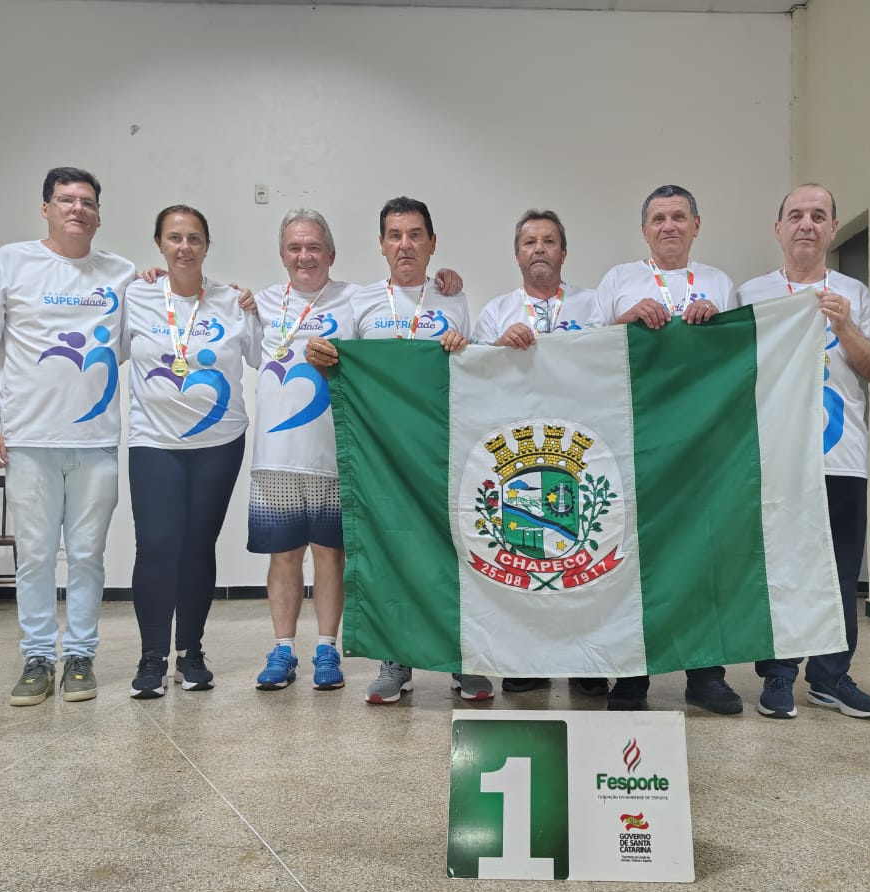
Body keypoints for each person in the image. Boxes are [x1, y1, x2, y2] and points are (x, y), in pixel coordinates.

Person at [305, 195, 491, 705]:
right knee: (387, 548)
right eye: (394, 235)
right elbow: (338, 364)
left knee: (453, 549)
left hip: (443, 448)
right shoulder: (360, 301)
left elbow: (473, 367)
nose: (404, 244)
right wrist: (318, 355)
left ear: (432, 243)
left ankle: (460, 658)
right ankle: (394, 660)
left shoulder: (453, 297)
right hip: (381, 455)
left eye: (414, 235)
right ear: (382, 245)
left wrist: (463, 346)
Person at [0, 167, 135, 707]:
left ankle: (80, 657)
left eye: (87, 202)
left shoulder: (122, 273)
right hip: (30, 440)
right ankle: (37, 658)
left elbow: (150, 333)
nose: (77, 209)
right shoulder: (10, 261)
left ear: (99, 215)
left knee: (87, 556)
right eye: (66, 200)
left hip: (96, 442)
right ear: (46, 208)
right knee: (36, 557)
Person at [738, 184, 870, 720]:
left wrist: (844, 325)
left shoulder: (855, 294)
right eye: (796, 215)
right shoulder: (751, 293)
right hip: (775, 459)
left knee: (838, 572)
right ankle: (778, 675)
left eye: (818, 216)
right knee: (778, 568)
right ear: (779, 229)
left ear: (831, 228)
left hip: (840, 458)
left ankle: (830, 676)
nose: (807, 224)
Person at [594, 184, 743, 715]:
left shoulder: (720, 283)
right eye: (658, 218)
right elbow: (588, 353)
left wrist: (717, 323)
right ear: (644, 230)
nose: (669, 226)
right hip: (638, 439)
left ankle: (706, 675)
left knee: (704, 557)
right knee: (635, 559)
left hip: (704, 444)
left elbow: (739, 357)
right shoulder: (618, 281)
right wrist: (624, 320)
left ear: (696, 226)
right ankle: (632, 677)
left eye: (679, 216)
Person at [123, 205, 258, 698]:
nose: (185, 247)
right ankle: (152, 656)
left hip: (219, 443)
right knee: (156, 544)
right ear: (159, 244)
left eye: (194, 238)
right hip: (154, 441)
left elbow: (265, 356)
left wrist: (254, 306)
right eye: (175, 238)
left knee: (199, 545)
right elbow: (106, 352)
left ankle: (191, 652)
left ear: (207, 245)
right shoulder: (135, 295)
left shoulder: (232, 301)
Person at [476, 208, 607, 698]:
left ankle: (586, 663)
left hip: (582, 451)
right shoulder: (496, 311)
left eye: (549, 241)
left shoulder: (593, 304)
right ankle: (526, 660)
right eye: (529, 242)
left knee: (583, 561)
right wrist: (497, 346)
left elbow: (609, 362)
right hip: (523, 454)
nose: (539, 250)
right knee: (528, 559)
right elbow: (478, 375)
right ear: (517, 255)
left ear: (564, 252)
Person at [248, 210, 355, 693]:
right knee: (284, 555)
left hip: (333, 455)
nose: (304, 256)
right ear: (282, 255)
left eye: (313, 247)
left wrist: (445, 283)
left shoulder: (355, 300)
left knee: (330, 554)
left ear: (330, 253)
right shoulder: (260, 303)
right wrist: (152, 275)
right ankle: (283, 649)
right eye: (295, 248)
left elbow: (402, 298)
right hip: (275, 456)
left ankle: (328, 648)